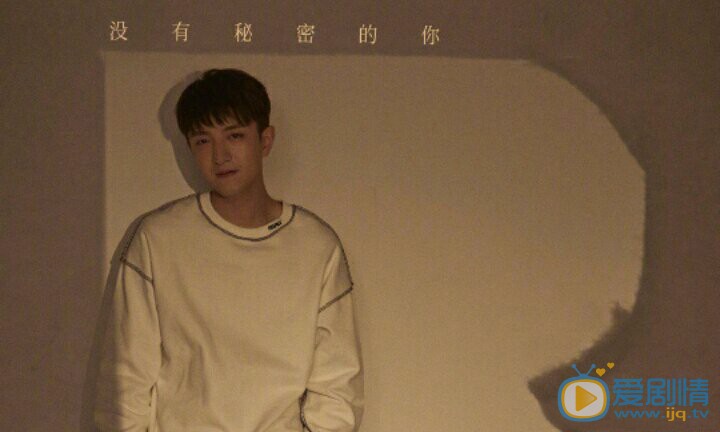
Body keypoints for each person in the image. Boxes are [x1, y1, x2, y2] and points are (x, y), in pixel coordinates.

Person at [94, 69, 364, 432]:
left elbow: (337, 388)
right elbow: (124, 381)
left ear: (265, 140)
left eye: (234, 136)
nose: (220, 156)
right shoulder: (157, 239)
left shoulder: (317, 247)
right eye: (203, 141)